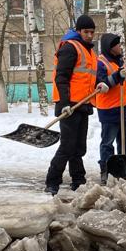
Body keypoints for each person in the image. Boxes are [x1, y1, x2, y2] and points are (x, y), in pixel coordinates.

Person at [45, 15, 108, 195]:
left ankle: (78, 180)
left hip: (83, 103)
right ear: (79, 31)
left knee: (79, 146)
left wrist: (100, 83)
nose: (90, 35)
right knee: (67, 146)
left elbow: (88, 76)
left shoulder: (89, 51)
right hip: (69, 105)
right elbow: (61, 77)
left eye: (92, 32)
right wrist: (64, 103)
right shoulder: (70, 48)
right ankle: (52, 181)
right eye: (86, 32)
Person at [95, 33, 126, 185]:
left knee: (125, 142)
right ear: (110, 47)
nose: (120, 47)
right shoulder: (101, 63)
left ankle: (125, 170)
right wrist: (117, 75)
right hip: (110, 110)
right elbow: (101, 85)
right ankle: (106, 170)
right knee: (107, 143)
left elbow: (124, 86)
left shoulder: (120, 61)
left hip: (124, 108)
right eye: (117, 45)